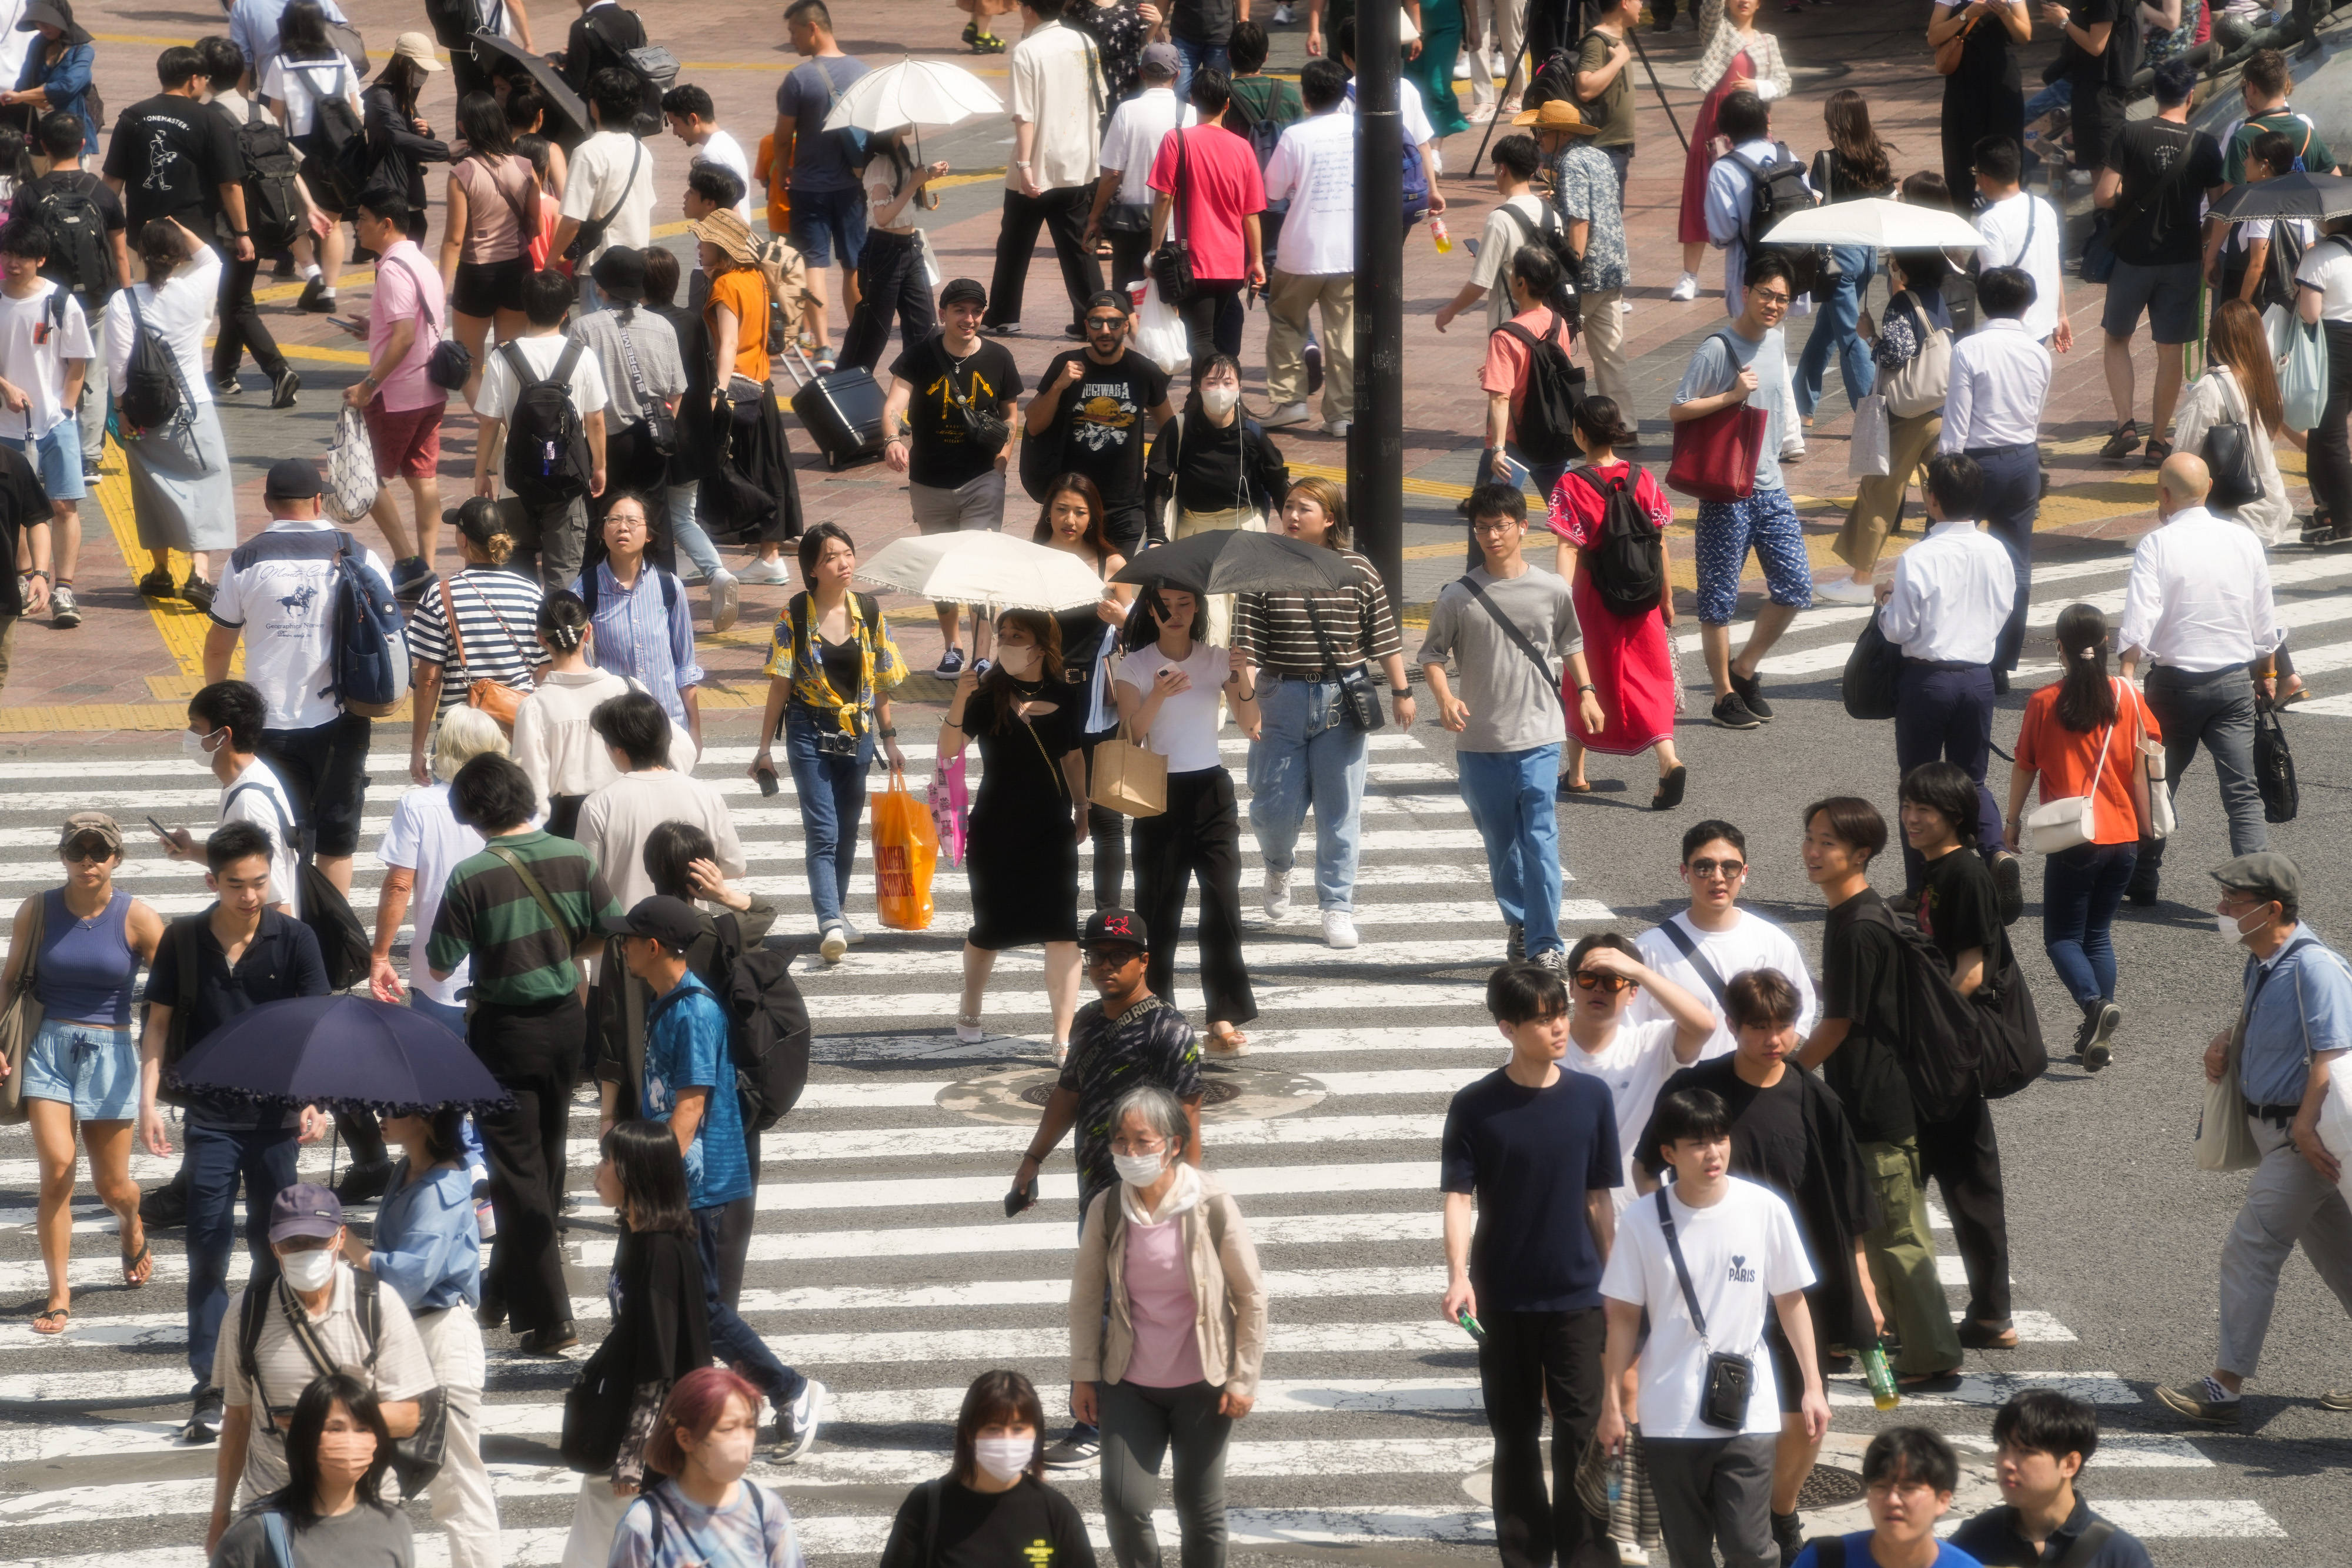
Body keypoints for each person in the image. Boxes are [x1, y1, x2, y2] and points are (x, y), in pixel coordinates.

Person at [1638, 971, 1881, 1564]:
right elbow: (1648, 1165)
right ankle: (1727, 1514)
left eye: (1783, 1026)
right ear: (1732, 1025)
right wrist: (1666, 1236)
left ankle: (1780, 1510)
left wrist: (1866, 1287)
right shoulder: (1698, 1088)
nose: (1773, 1039)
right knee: (1711, 1407)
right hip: (1713, 1285)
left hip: (1796, 1280)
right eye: (1758, 1027)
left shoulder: (1815, 1099)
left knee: (1805, 1417)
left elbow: (1849, 1205)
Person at [607, 895, 827, 1463]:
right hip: (675, 1179)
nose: (621, 946)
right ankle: (672, 1407)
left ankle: (790, 1389)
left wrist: (647, 1185)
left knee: (700, 1306)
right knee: (643, 1293)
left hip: (693, 1184)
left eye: (628, 938)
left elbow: (690, 1108)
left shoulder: (695, 1012)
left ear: (653, 946)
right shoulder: (666, 1000)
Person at [137, 820, 330, 1439]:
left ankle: (268, 1367)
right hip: (210, 1117)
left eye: (259, 882)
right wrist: (146, 1103)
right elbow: (158, 1025)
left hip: (276, 1118)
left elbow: (316, 1026)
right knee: (207, 1249)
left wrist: (314, 1099)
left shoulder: (295, 939)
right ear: (212, 881)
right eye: (236, 885)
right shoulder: (184, 939)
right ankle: (211, 1385)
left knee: (275, 1248)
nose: (250, 896)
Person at [428, 752, 624, 1355]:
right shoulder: (573, 856)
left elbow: (439, 961)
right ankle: (499, 1293)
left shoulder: (471, 875)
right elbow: (610, 928)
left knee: (518, 1174)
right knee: (545, 1160)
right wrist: (558, 950)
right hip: (567, 1024)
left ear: (473, 812)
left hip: (504, 1031)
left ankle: (553, 1316)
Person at [2156, 852, 2352, 1426]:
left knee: (2251, 1248)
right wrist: (2226, 1038)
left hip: (2303, 1141)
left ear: (2271, 909)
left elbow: (2334, 1053)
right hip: (2284, 1135)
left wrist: (2303, 1127)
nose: (2220, 909)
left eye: (2232, 901)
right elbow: (2273, 1025)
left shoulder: (2315, 967)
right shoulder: (2265, 961)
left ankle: (2223, 1387)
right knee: (2344, 1260)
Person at [1597, 1086, 1829, 1568]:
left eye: (1720, 1138)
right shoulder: (1641, 1220)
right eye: (1698, 1143)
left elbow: (1790, 1299)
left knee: (1749, 1546)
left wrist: (1812, 1386)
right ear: (1669, 1153)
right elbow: (1623, 1318)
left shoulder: (1763, 1208)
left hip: (1748, 1408)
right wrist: (1612, 1406)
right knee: (1688, 1553)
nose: (1713, 1152)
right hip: (1669, 1413)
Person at [1441, 960, 1624, 1568]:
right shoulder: (1475, 1106)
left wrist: (1617, 1279)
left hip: (1579, 1294)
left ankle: (1587, 1555)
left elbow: (1598, 1197)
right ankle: (1523, 1556)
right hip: (1502, 1294)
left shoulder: (1591, 1098)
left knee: (1582, 1432)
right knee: (1515, 1433)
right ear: (1508, 1028)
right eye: (1543, 1020)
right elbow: (1458, 1197)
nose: (1559, 1028)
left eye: (1560, 1014)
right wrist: (1458, 1276)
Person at [1013, 907, 1204, 1470]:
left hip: (1150, 1196)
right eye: (1096, 955)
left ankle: (1100, 1423)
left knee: (1122, 1305)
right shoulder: (1089, 1021)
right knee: (1103, 1300)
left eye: (1119, 955)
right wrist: (1032, 1159)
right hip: (1096, 1192)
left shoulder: (1169, 1030)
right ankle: (1113, 1414)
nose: (1105, 965)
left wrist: (1188, 1200)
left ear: (1144, 960)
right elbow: (1068, 1094)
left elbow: (1189, 1118)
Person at [1795, 796, 1967, 1388]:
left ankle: (1933, 1354)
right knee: (1880, 1227)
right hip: (1870, 1097)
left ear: (1860, 853)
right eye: (1811, 838)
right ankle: (1907, 1336)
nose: (1813, 852)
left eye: (1828, 843)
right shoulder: (1856, 912)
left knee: (1898, 1233)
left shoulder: (1859, 926)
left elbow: (1839, 1024)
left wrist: (1789, 1071)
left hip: (1878, 1103)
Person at [1071, 1082, 1265, 1568]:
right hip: (1129, 1382)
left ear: (1174, 1144)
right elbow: (1086, 1297)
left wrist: (1243, 1378)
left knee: (1199, 1509)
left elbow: (1250, 1296)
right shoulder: (1108, 1207)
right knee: (1124, 1503)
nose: (1130, 1151)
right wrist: (1083, 1375)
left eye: (1143, 1140)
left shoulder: (1211, 1203)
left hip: (1204, 1384)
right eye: (1120, 1140)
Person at [205, 1183, 434, 1553]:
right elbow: (238, 1418)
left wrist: (318, 1422)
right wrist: (220, 1514)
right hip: (272, 1504)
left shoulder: (378, 1304)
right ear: (273, 1246)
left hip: (364, 1502)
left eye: (317, 1240)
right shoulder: (246, 1313)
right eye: (292, 1243)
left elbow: (409, 1417)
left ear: (341, 1238)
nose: (305, 1252)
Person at [1422, 484, 1596, 969]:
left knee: (1540, 838)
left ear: (1522, 527)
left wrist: (1586, 692)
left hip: (1539, 734)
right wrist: (1445, 698)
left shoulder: (1552, 589)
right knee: (1501, 844)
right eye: (1482, 527)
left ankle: (1546, 943)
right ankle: (1520, 922)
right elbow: (1432, 655)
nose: (1492, 535)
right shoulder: (1458, 596)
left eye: (1501, 526)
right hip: (1480, 740)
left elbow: (1571, 642)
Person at [1232, 477, 1411, 945]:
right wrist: (1247, 703)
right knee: (1271, 808)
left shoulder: (1357, 568)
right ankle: (1278, 865)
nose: (1291, 515)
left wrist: (1402, 690)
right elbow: (1245, 648)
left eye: (1304, 508)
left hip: (1343, 696)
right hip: (1281, 696)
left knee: (1340, 811)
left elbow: (1383, 635)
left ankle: (1337, 905)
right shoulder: (1261, 569)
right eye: (1288, 506)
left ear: (1329, 518)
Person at [4, 812, 163, 1335]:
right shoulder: (37, 909)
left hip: (110, 1054)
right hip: (47, 1048)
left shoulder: (138, 917)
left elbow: (173, 989)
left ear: (117, 857)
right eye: (77, 850)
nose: (88, 860)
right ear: (63, 856)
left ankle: (131, 1221)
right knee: (57, 1169)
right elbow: (9, 979)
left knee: (113, 1185)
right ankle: (59, 1292)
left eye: (99, 851)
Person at [202, 455, 387, 897]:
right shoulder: (359, 554)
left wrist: (217, 713)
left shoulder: (245, 560)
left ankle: (284, 930)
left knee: (276, 840)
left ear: (268, 503)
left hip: (266, 725)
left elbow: (218, 646)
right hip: (342, 718)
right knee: (336, 843)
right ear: (319, 501)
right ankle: (332, 934)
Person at [339, 1106, 500, 1568]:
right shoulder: (406, 1170)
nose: (381, 1114)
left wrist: (357, 1251)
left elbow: (411, 1275)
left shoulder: (443, 1184)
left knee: (458, 1488)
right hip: (405, 1334)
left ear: (428, 1119)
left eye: (396, 1108)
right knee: (375, 1476)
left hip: (441, 1334)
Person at [2116, 453, 2281, 902]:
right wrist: (2266, 673)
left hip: (2172, 687)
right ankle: (2255, 893)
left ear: (2163, 494)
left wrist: (2127, 674)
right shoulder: (2244, 540)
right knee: (2242, 792)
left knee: (2158, 784)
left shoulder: (2157, 544)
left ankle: (2143, 879)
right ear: (2208, 488)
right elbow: (2263, 617)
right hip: (2233, 684)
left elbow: (2141, 615)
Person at [1898, 760, 2022, 1354]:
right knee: (1957, 1183)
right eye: (1907, 806)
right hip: (1943, 1052)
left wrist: (1922, 1026)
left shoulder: (1966, 873)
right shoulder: (1937, 870)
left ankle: (1988, 1315)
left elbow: (1971, 971)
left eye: (1924, 809)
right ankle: (1986, 1314)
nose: (1911, 818)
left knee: (1956, 1185)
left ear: (1955, 816)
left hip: (1949, 1054)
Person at [2004, 603, 2153, 1071]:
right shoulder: (2126, 695)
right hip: (2125, 835)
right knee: (2098, 935)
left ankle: (2094, 1005)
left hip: (2075, 836)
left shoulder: (2045, 701)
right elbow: (2150, 747)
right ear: (2106, 644)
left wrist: (2011, 821)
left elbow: (2025, 764)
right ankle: (2096, 1033)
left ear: (2060, 648)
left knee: (2062, 938)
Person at [558, 1120, 713, 1568]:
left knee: (614, 1545)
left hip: (657, 1433)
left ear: (634, 1172)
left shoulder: (661, 1250)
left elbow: (659, 1366)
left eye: (607, 1160)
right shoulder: (637, 1233)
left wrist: (633, 1454)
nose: (597, 1169)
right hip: (637, 1421)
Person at [754, 521, 910, 958]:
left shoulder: (869, 612)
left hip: (857, 733)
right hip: (808, 730)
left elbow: (881, 681)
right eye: (830, 557)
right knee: (823, 829)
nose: (843, 563)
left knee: (846, 830)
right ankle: (830, 921)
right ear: (812, 569)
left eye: (847, 553)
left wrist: (890, 739)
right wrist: (764, 748)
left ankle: (836, 912)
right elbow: (780, 685)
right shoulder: (794, 615)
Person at [1116, 585, 1259, 1055]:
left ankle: (1222, 1014)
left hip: (1212, 790)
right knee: (1159, 910)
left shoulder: (1217, 659)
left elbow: (1251, 723)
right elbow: (1129, 736)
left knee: (1223, 902)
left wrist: (1241, 675)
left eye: (1183, 603)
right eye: (1165, 606)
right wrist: (1158, 694)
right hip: (1158, 791)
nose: (1174, 613)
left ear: (1197, 606)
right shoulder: (1134, 664)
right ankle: (1157, 1014)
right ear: (1150, 610)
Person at [1877, 452, 2022, 905]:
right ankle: (1996, 851)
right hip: (1978, 678)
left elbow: (1898, 630)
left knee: (1917, 788)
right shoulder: (1996, 550)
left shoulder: (1918, 557)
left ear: (1932, 499)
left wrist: (1884, 604)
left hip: (1928, 681)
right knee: (1972, 780)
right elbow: (2004, 608)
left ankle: (1922, 889)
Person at [1671, 253, 1808, 730]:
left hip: (1771, 487)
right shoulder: (1717, 348)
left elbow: (1781, 398)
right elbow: (1678, 409)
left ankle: (1743, 669)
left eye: (1783, 299)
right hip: (1727, 491)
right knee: (1718, 599)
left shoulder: (1776, 340)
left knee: (1796, 586)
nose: (1774, 305)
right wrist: (1731, 395)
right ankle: (1722, 696)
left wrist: (1792, 441)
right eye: (1767, 294)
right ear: (1746, 292)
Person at [943, 609, 1089, 1051]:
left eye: (1016, 636)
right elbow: (948, 751)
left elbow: (1073, 756)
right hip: (995, 827)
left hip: (1051, 826)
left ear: (1040, 647)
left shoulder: (1067, 694)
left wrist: (1082, 806)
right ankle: (971, 1002)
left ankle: (1062, 1035)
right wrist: (960, 697)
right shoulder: (986, 694)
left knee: (1062, 929)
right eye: (1002, 635)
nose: (1006, 643)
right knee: (990, 929)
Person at [1545, 397, 1682, 806]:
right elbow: (1660, 542)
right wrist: (1666, 597)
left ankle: (1577, 774)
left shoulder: (1571, 484)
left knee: (1583, 676)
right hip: (1643, 594)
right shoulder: (1643, 477)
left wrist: (1561, 601)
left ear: (1579, 433)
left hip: (1594, 595)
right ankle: (1668, 759)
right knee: (1649, 676)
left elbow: (1568, 548)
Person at [884, 277, 1022, 676]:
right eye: (960, 310)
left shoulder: (999, 357)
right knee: (941, 566)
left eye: (977, 311)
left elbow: (1011, 415)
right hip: (930, 480)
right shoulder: (918, 357)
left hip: (982, 478)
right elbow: (894, 405)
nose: (969, 318)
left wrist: (1002, 460)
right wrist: (892, 439)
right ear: (942, 314)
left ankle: (982, 653)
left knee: (979, 565)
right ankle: (952, 647)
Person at [2092, 59, 2222, 466]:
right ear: (2190, 96)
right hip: (2182, 259)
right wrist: (2203, 240)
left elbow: (2104, 195)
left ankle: (2125, 424)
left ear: (2155, 94)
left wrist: (2130, 198)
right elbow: (2220, 209)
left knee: (2117, 339)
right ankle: (2158, 440)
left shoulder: (2131, 134)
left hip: (2133, 257)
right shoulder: (2205, 144)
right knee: (2170, 351)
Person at [108, 219, 233, 607]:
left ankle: (160, 572)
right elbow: (212, 259)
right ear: (179, 258)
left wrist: (120, 410)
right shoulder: (195, 289)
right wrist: (180, 226)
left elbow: (118, 365)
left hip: (144, 411)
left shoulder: (123, 301)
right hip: (193, 407)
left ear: (141, 255)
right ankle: (200, 574)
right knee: (208, 482)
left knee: (151, 488)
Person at [1822, 249, 1953, 604]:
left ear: (1905, 266)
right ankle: (1948, 568)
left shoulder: (1901, 303)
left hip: (1907, 414)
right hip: (1938, 408)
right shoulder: (1937, 298)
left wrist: (1869, 336)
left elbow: (1897, 353)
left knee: (1878, 491)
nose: (1890, 264)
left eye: (1894, 260)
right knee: (1941, 491)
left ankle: (1861, 579)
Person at [372, 706, 506, 1038]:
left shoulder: (418, 805)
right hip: (507, 964)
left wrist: (381, 956)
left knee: (439, 1059)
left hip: (439, 970)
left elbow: (399, 884)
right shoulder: (518, 806)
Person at [1630, 819, 1816, 1059]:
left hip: (1750, 1081)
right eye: (1704, 867)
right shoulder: (1650, 949)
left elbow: (1802, 1014)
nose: (1718, 877)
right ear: (1685, 873)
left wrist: (1762, 1067)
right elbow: (1629, 1032)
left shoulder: (1774, 942)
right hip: (1680, 1082)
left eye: (1730, 867)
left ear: (1744, 873)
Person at [473, 266, 609, 590]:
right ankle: (561, 623)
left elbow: (489, 421)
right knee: (565, 574)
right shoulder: (582, 355)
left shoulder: (503, 357)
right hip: (568, 479)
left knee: (517, 573)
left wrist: (481, 473)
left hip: (516, 481)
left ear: (525, 308)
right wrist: (600, 467)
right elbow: (595, 419)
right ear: (566, 312)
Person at [1142, 353, 1290, 650]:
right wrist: (1157, 537)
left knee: (1247, 617)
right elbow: (1156, 484)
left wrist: (1295, 529)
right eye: (1211, 382)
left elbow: (1277, 484)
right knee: (1209, 616)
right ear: (1198, 387)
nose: (1220, 390)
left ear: (1239, 388)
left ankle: (1244, 676)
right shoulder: (1179, 429)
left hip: (1244, 532)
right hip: (1194, 534)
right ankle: (1211, 677)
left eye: (1227, 382)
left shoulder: (1253, 434)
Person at [1037, 477, 1136, 910]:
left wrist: (1122, 620)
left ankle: (1108, 914)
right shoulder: (1034, 562)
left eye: (1080, 512)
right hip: (1049, 699)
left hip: (1100, 702)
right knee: (1056, 810)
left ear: (1094, 516)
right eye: (1062, 509)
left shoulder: (1111, 564)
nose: (1070, 520)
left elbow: (1138, 637)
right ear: (1048, 512)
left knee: (1107, 816)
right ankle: (1059, 908)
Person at [879, 1372, 1097, 1567]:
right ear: (969, 1434)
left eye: (1018, 1429)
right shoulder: (926, 1506)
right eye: (993, 1429)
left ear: (1036, 1434)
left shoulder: (1055, 1512)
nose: (1007, 1440)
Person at [689, 208, 806, 571]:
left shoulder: (726, 285)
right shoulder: (755, 275)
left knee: (731, 475)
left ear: (721, 247)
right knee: (767, 471)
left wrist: (717, 393)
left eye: (705, 242)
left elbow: (728, 342)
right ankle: (769, 557)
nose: (699, 247)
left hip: (737, 390)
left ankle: (721, 556)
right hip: (761, 387)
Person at [342, 190, 446, 595]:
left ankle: (407, 561)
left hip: (399, 394)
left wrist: (369, 385)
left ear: (386, 224)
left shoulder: (390, 270)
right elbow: (413, 324)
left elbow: (404, 338)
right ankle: (427, 569)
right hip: (431, 389)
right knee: (423, 477)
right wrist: (375, 329)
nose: (356, 227)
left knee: (364, 475)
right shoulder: (420, 260)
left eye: (362, 218)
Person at [206, 1373, 415, 1568]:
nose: (351, 1441)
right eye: (336, 1428)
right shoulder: (255, 1534)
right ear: (306, 1438)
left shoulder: (394, 1526)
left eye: (362, 1429)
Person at [987, 0, 1107, 339]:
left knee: (1014, 243)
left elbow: (1024, 115)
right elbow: (1099, 99)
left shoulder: (1027, 51)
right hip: (1078, 159)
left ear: (1029, 9)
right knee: (1079, 247)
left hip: (1038, 163)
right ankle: (1095, 319)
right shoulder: (1084, 42)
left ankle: (1003, 316)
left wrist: (1024, 165)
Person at [1026, 287, 1175, 557]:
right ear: (1087, 326)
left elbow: (1171, 430)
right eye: (1097, 322)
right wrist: (1059, 386)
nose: (1105, 330)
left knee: (1124, 578)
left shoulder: (1143, 371)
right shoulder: (1065, 364)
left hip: (1127, 507)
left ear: (1126, 326)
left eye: (1114, 323)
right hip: (1073, 503)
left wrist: (1158, 477)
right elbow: (1034, 424)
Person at [405, 504, 545, 785]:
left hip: (460, 736)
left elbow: (429, 680)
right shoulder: (531, 593)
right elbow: (544, 671)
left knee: (460, 809)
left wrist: (417, 749)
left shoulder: (440, 595)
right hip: (519, 730)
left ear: (464, 540)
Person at [612, 1368, 807, 1568]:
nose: (743, 1440)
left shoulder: (766, 1509)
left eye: (750, 1426)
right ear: (686, 1439)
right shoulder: (644, 1523)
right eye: (728, 1429)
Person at [28, 109, 129, 483]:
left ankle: (44, 449)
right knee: (95, 373)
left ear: (43, 146)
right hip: (97, 300)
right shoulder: (102, 193)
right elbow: (120, 254)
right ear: (84, 144)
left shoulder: (31, 194)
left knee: (45, 372)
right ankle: (88, 458)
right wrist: (127, 299)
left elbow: (21, 251)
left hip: (47, 301)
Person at [1950, 1390, 2159, 1567]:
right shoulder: (1977, 1537)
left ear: (2069, 1464)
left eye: (2025, 1451)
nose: (2006, 1463)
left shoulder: (2119, 1555)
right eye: (2003, 1447)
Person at [0, 218, 88, 633]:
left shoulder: (60, 302)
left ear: (41, 259)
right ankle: (24, 580)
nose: (12, 262)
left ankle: (63, 588)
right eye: (6, 253)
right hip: (5, 426)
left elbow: (77, 364)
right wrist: (4, 386)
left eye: (21, 256)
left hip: (54, 423)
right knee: (14, 509)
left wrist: (65, 413)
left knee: (64, 505)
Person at [577, 688, 742, 910]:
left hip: (626, 926)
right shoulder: (706, 795)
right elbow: (735, 867)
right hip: (690, 925)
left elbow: (586, 882)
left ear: (618, 749)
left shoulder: (598, 804)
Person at [1672, 0, 1790, 303]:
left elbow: (1783, 83)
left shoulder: (1768, 42)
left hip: (1752, 125)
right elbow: (1709, 10)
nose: (1743, 1)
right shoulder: (1718, 30)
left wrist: (1756, 87)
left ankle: (1753, 272)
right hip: (1714, 123)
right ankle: (1690, 276)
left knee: (1756, 197)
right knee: (1699, 194)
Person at [1261, 57, 1355, 436]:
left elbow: (1272, 191)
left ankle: (1291, 401)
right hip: (1350, 249)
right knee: (1345, 333)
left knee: (1287, 321)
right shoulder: (1361, 131)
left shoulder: (1296, 136)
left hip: (1301, 249)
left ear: (1306, 97)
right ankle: (1342, 414)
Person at [1145, 67, 1265, 363]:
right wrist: (1257, 260)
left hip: (1193, 261)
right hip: (1232, 262)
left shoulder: (1177, 140)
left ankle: (1218, 384)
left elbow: (1164, 197)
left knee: (1199, 339)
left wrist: (1155, 248)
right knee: (1220, 336)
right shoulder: (1243, 148)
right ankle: (1219, 387)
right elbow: (1251, 213)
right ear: (1227, 104)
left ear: (1192, 101)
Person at [769, 1, 866, 362]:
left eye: (794, 31)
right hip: (852, 187)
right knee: (854, 265)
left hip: (808, 188)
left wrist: (784, 170)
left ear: (812, 28)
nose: (791, 39)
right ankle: (859, 346)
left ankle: (823, 347)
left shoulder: (799, 79)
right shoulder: (863, 73)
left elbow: (782, 138)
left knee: (813, 265)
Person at [573, 492, 703, 750]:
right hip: (616, 732)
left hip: (669, 725)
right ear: (602, 532)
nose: (623, 527)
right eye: (614, 520)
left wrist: (695, 729)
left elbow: (685, 666)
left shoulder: (669, 587)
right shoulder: (583, 592)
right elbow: (582, 671)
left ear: (649, 534)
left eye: (633, 521)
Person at [440, 91, 540, 410]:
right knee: (510, 359)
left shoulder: (462, 173)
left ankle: (491, 427)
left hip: (477, 272)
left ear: (463, 127)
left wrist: (440, 288)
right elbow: (537, 224)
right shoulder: (525, 166)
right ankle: (509, 425)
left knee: (468, 363)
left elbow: (454, 240)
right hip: (518, 268)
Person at [258, 2, 360, 313]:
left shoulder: (282, 64)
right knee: (333, 223)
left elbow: (276, 117)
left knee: (292, 219)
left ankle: (312, 272)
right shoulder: (341, 59)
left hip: (299, 150)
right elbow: (356, 110)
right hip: (339, 150)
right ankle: (330, 293)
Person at [1797, 90, 1891, 426]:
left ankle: (1871, 417)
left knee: (1851, 338)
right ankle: (1802, 405)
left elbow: (1813, 206)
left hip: (1838, 259)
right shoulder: (1877, 157)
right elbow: (1891, 202)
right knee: (1826, 331)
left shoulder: (1826, 160)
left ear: (1837, 124)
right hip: (1868, 255)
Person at [1529, 98, 1629, 410]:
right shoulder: (1599, 157)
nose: (1538, 139)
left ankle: (1552, 418)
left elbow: (1580, 221)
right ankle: (1624, 424)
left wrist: (1571, 269)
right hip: (1613, 267)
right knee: (1611, 355)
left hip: (1587, 274)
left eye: (1542, 132)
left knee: (1550, 347)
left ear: (1561, 133)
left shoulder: (1570, 163)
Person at [104, 44, 254, 251]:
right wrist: (242, 234)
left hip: (143, 236)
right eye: (205, 78)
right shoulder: (211, 119)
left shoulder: (132, 116)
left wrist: (105, 226)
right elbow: (229, 184)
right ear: (194, 79)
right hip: (195, 240)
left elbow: (113, 179)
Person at [2172, 297, 2295, 548]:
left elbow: (2185, 457)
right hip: (2268, 506)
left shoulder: (2212, 387)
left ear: (2218, 341)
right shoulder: (2267, 385)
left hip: (2230, 513)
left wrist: (2169, 502)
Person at [1085, 44, 1194, 295]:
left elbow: (1113, 173)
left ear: (1141, 73)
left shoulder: (1127, 111)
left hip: (1131, 224)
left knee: (1129, 296)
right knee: (1174, 295)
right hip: (1177, 223)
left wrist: (1095, 217)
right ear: (1177, 75)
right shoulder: (1191, 114)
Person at [1474, 248, 1576, 510]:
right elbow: (1551, 371)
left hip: (1512, 445)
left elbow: (1500, 398)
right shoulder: (1558, 322)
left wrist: (1498, 450)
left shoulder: (1505, 336)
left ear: (1521, 282)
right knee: (1567, 516)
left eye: (1513, 273)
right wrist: (1500, 368)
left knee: (1489, 518)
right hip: (1552, 436)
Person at [841, 125, 947, 373]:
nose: (910, 121)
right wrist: (915, 183)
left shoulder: (900, 154)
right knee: (874, 331)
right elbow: (882, 217)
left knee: (925, 328)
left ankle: (921, 388)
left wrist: (927, 176)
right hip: (884, 252)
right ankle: (846, 385)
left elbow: (899, 193)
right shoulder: (880, 163)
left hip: (911, 248)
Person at [1786, 1428, 1973, 1568]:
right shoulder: (1823, 1560)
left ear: (1943, 1501)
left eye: (1908, 1489)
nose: (1892, 1500)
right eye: (1881, 1487)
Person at [554, 67, 660, 295]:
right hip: (637, 266)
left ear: (595, 105)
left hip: (600, 270)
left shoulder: (587, 152)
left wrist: (550, 262)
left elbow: (572, 220)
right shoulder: (642, 151)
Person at [1972, 137, 2070, 352]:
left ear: (1984, 177)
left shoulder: (1990, 221)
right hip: (2044, 321)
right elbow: (2054, 264)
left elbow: (1994, 286)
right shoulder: (2043, 208)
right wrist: (2060, 315)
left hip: (2014, 330)